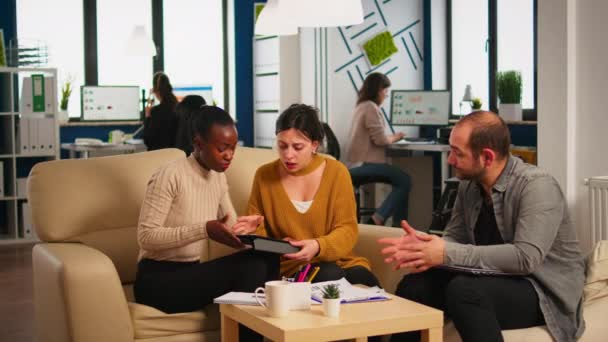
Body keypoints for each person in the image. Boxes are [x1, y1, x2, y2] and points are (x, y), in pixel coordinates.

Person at [379, 111, 585, 342]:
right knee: (414, 286)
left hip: (541, 289)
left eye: (458, 153)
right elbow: (454, 237)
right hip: (490, 277)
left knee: (465, 291)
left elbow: (525, 258)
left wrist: (446, 253)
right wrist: (425, 247)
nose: (450, 160)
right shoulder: (469, 185)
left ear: (487, 157)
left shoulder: (536, 186)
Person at [134, 105, 278, 342]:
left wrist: (246, 230)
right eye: (222, 148)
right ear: (199, 144)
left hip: (191, 272)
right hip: (157, 281)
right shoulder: (170, 175)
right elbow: (146, 237)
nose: (229, 155)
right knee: (249, 268)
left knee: (266, 258)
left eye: (233, 147)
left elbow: (230, 227)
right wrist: (203, 229)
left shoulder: (218, 177)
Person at [247, 104, 379, 287]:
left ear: (314, 145)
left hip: (339, 260)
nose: (288, 155)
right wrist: (267, 240)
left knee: (365, 280)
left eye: (297, 147)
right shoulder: (264, 175)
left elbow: (347, 229)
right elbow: (257, 232)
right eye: (282, 146)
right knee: (329, 276)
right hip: (290, 267)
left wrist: (318, 246)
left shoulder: (337, 172)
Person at [346, 72, 411, 227]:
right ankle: (379, 220)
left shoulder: (361, 106)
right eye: (385, 92)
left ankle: (397, 228)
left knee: (401, 180)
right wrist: (398, 136)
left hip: (356, 165)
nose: (386, 96)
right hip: (364, 165)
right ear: (378, 90)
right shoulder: (370, 107)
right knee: (404, 180)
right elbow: (381, 139)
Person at [143, 72, 178, 150]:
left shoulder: (156, 111)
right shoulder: (178, 108)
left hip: (159, 156)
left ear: (155, 90)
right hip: (175, 155)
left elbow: (148, 140)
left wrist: (147, 116)